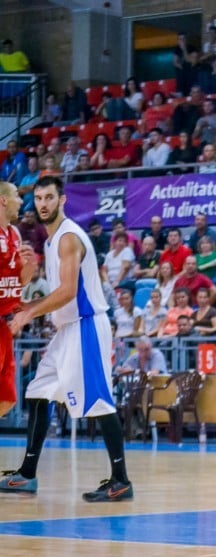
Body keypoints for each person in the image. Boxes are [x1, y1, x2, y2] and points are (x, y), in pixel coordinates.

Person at [2, 176, 132, 501]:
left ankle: (121, 480)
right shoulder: (50, 241)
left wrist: (28, 312)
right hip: (67, 330)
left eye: (49, 198)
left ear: (62, 200)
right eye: (39, 198)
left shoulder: (67, 238)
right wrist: (25, 295)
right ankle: (27, 474)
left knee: (99, 402)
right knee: (38, 391)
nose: (43, 204)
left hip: (86, 325)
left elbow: (68, 291)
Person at [0, 182, 36, 419]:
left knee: (7, 398)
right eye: (16, 196)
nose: (21, 201)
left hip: (7, 322)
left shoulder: (15, 233)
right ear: (3, 200)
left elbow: (21, 282)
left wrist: (30, 266)